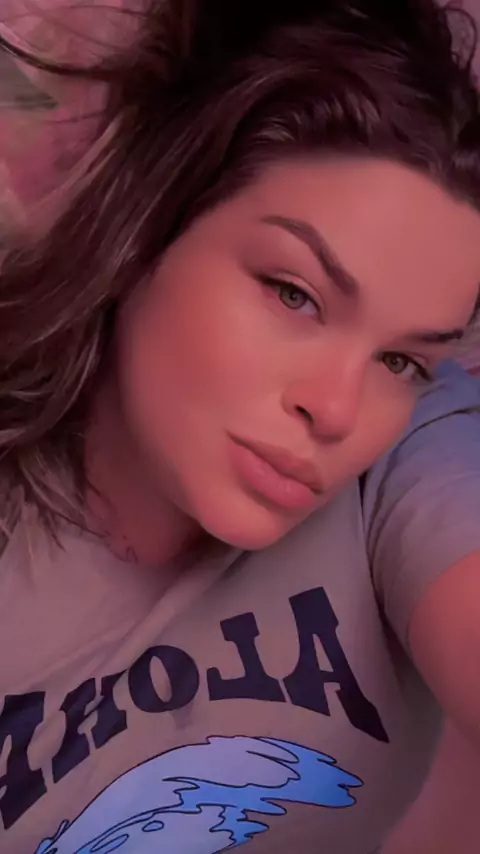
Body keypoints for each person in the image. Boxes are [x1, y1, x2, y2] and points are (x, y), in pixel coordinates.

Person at [1, 1, 480, 851]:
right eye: (295, 294)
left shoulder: (414, 458)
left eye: (401, 360)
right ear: (150, 223)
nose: (337, 410)